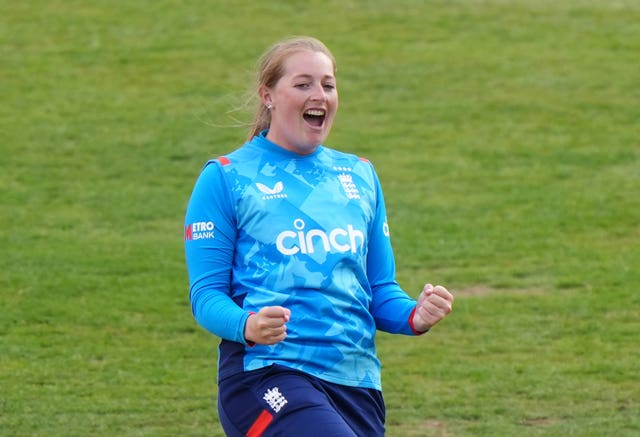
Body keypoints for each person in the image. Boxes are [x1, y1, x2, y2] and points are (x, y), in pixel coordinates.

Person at [184, 36, 454, 437]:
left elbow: (379, 290)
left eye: (328, 84)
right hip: (266, 374)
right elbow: (205, 296)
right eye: (303, 84)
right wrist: (248, 325)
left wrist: (416, 314)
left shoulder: (359, 176)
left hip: (357, 382)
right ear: (268, 95)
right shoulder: (226, 177)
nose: (320, 95)